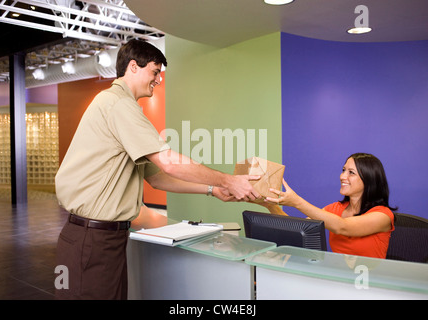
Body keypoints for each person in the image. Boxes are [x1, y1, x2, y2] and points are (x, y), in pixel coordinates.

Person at [54, 39, 260, 300]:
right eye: (155, 71)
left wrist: (213, 189)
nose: (159, 79)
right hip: (91, 240)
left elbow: (159, 178)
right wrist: (230, 181)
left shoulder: (119, 106)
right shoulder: (118, 104)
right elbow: (169, 162)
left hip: (105, 240)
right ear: (133, 67)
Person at [263, 153, 397, 259]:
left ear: (369, 179)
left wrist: (296, 202)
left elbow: (342, 227)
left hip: (368, 284)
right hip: (337, 280)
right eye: (343, 170)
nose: (342, 176)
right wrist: (269, 204)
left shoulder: (383, 216)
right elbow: (297, 231)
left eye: (351, 172)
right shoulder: (335, 209)